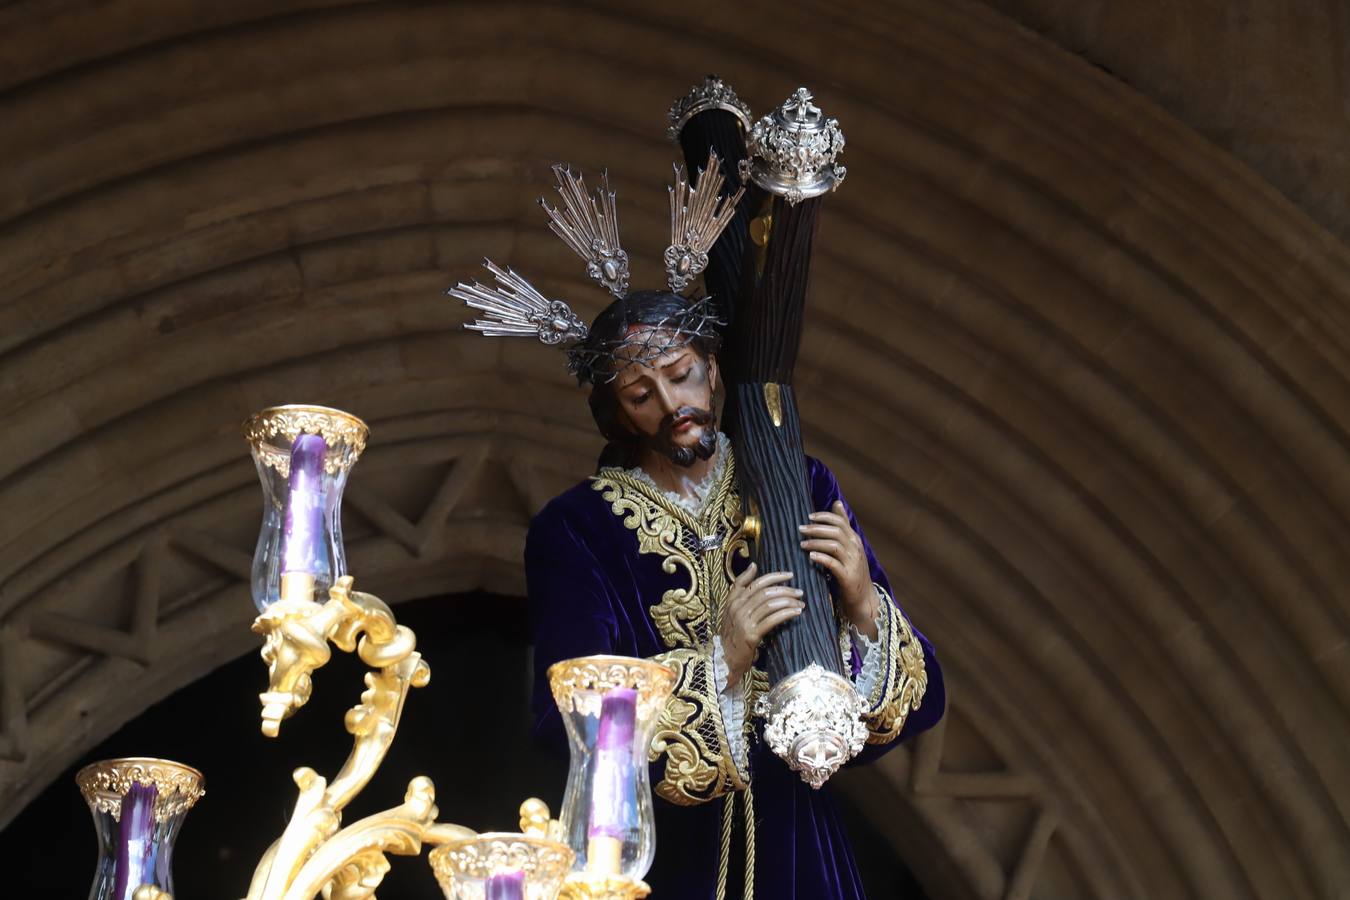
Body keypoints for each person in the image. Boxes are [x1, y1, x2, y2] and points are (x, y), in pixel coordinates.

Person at [449, 86, 945, 899]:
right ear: (615, 413)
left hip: (803, 848)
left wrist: (861, 601)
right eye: (643, 393)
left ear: (714, 370)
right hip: (668, 857)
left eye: (682, 375)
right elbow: (565, 722)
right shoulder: (577, 530)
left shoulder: (798, 481)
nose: (673, 403)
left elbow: (910, 713)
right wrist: (725, 654)